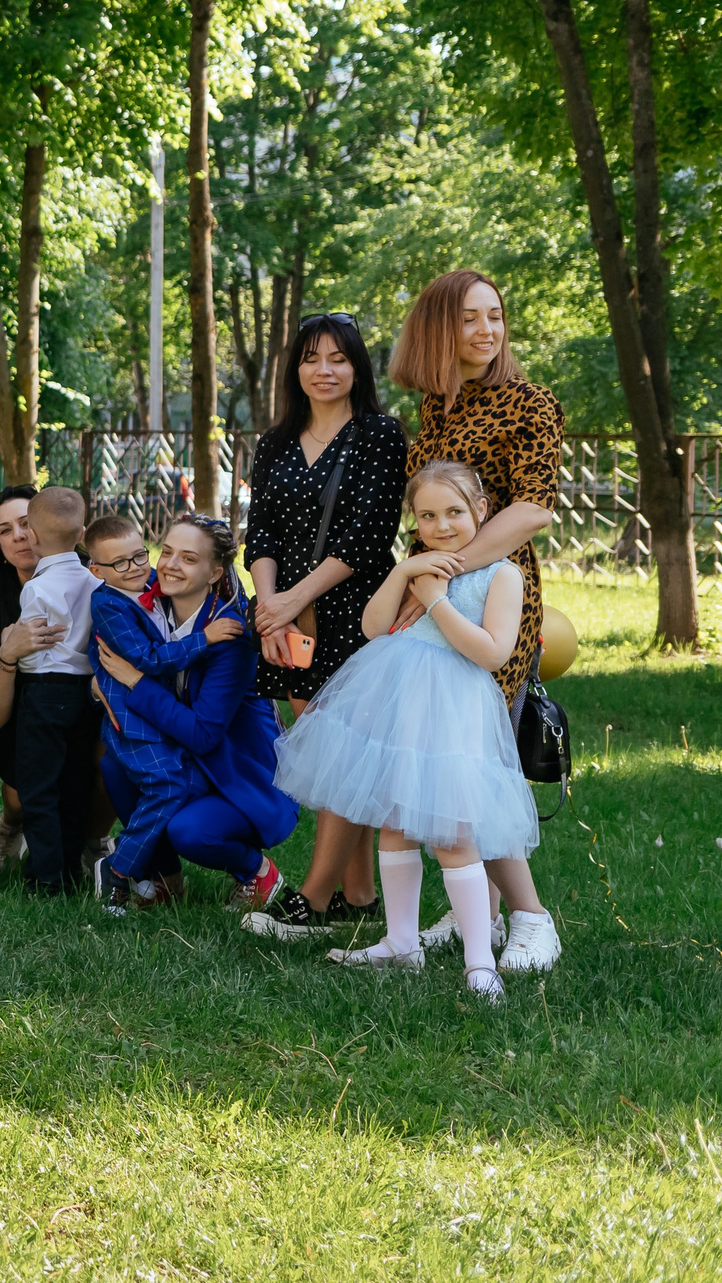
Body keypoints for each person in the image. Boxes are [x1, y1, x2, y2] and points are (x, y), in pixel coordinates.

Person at [275, 462, 541, 1000]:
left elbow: (492, 652)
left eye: (454, 513)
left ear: (481, 512)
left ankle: (479, 960)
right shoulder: (415, 566)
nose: (441, 525)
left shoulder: (502, 575)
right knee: (395, 821)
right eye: (427, 516)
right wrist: (404, 574)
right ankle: (401, 942)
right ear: (414, 521)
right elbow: (374, 629)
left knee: (452, 833)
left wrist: (438, 600)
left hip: (452, 710)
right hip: (396, 704)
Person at [388, 268, 565, 974]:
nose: (486, 330)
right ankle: (482, 914)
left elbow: (533, 507)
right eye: (470, 318)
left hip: (494, 591)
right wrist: (413, 583)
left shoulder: (530, 402)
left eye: (495, 315)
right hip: (429, 600)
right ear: (439, 327)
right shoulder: (436, 407)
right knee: (437, 760)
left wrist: (450, 570)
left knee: (477, 763)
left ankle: (531, 917)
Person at [239, 310, 409, 939]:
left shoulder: (380, 436)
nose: (324, 370)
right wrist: (268, 604)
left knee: (346, 755)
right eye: (311, 358)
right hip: (285, 615)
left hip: (355, 612)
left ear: (357, 367)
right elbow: (261, 532)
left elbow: (366, 539)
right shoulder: (278, 439)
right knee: (335, 758)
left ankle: (310, 900)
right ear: (296, 369)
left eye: (338, 358)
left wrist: (290, 602)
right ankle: (359, 897)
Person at [91, 515, 298, 917]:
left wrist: (136, 682)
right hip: (192, 762)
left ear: (214, 572)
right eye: (166, 552)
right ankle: (165, 882)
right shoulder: (143, 601)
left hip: (240, 777)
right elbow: (104, 648)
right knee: (117, 767)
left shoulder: (230, 636)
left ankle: (258, 873)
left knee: (190, 831)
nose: (169, 565)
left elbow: (204, 734)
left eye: (188, 558)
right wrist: (100, 683)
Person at [10, 485, 98, 894]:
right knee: (74, 781)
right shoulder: (96, 584)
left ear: (31, 534)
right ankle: (71, 868)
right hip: (85, 694)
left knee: (40, 785)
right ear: (82, 534)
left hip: (46, 690)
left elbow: (31, 646)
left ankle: (47, 877)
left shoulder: (37, 589)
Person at [0, 485, 57, 872]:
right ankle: (10, 824)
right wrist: (8, 653)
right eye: (5, 531)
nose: (18, 535)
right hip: (18, 719)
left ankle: (95, 840)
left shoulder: (92, 585)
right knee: (25, 794)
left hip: (84, 709)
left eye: (26, 523)